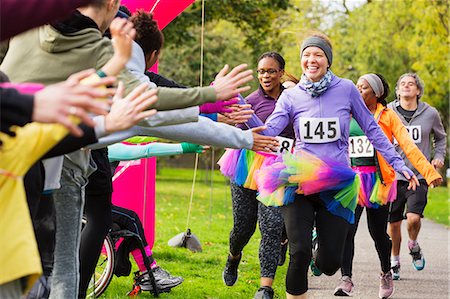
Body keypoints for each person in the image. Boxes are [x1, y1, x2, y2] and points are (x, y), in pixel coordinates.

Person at [253, 33, 418, 299]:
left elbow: (372, 129)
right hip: (300, 182)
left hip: (337, 185)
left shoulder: (346, 89)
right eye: (306, 55)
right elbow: (269, 130)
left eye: (318, 54)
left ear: (328, 60)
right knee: (299, 251)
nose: (311, 59)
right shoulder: (291, 96)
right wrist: (243, 120)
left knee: (329, 264)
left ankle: (322, 249)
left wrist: (398, 162)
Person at [335, 73, 442, 298]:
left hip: (378, 182)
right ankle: (346, 279)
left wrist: (429, 173)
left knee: (378, 233)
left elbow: (409, 146)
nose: (358, 90)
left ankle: (386, 271)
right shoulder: (346, 113)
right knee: (347, 231)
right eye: (356, 86)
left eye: (363, 88)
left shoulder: (388, 116)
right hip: (351, 181)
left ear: (377, 93)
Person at [218, 52, 293, 299]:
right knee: (243, 226)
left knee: (271, 225)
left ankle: (265, 288)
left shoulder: (293, 99)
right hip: (248, 167)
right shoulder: (250, 101)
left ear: (281, 72)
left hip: (280, 169)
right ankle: (233, 256)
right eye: (261, 71)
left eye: (271, 71)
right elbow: (238, 136)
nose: (265, 76)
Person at [387, 73, 447, 280]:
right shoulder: (388, 112)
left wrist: (438, 158)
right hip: (393, 175)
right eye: (402, 84)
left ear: (418, 90)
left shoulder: (430, 113)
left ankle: (413, 244)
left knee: (413, 218)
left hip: (419, 175)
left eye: (410, 84)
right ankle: (394, 261)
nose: (406, 87)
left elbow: (440, 139)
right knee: (393, 223)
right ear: (397, 90)